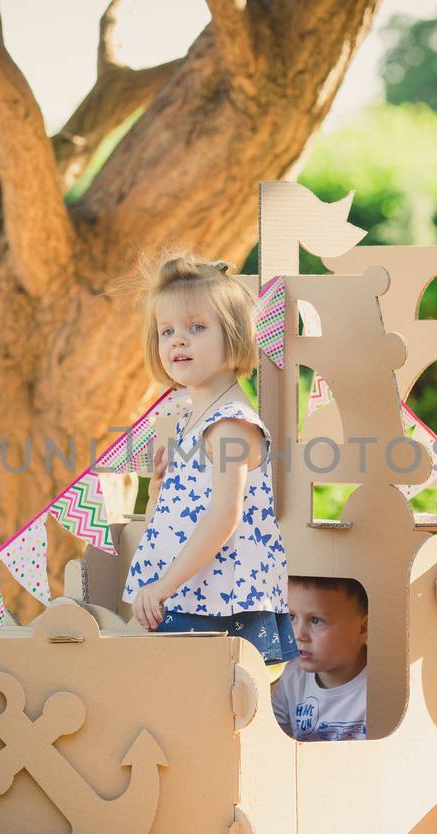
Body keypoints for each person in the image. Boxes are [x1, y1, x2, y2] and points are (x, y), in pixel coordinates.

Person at [121, 253, 294, 665]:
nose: (178, 340)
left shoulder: (230, 425)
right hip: (186, 591)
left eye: (196, 328)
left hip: (217, 603)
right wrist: (158, 492)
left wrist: (162, 587)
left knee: (206, 706)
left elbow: (223, 516)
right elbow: (183, 514)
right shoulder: (190, 418)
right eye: (167, 331)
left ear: (233, 335)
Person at [273, 576, 368, 741]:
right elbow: (269, 739)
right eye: (292, 617)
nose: (298, 635)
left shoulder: (379, 686)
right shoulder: (293, 676)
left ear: (362, 628)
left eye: (316, 620)